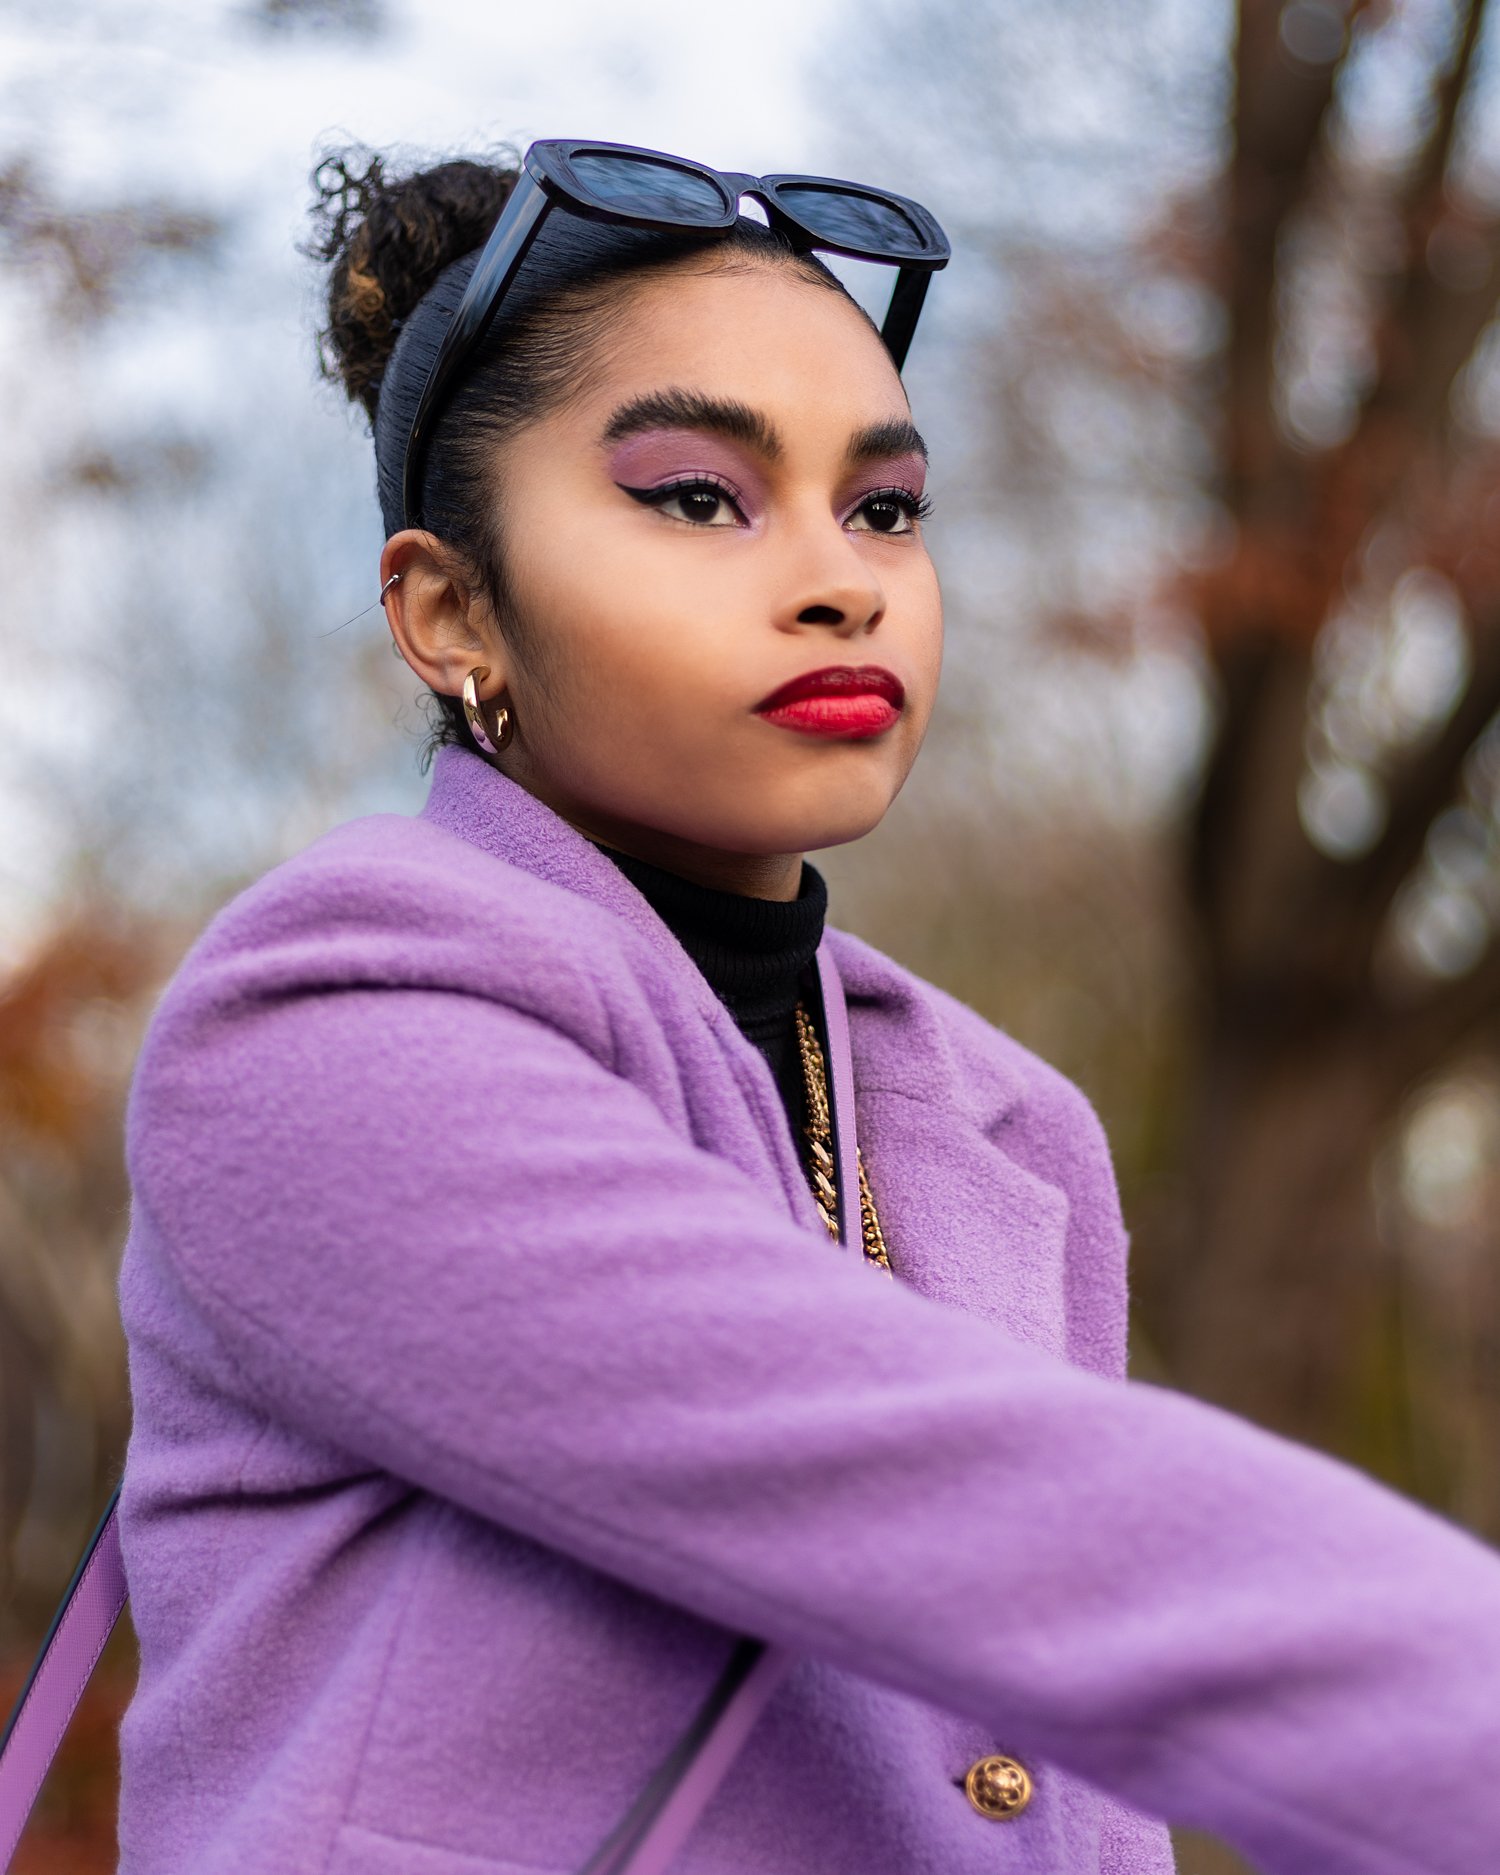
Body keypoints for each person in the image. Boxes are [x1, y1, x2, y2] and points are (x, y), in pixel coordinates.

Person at [111, 138, 1500, 1875]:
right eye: (700, 496)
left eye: (885, 507)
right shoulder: (324, 1022)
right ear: (452, 611)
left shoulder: (1009, 1118)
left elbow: (1065, 1798)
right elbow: (981, 1512)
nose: (844, 578)